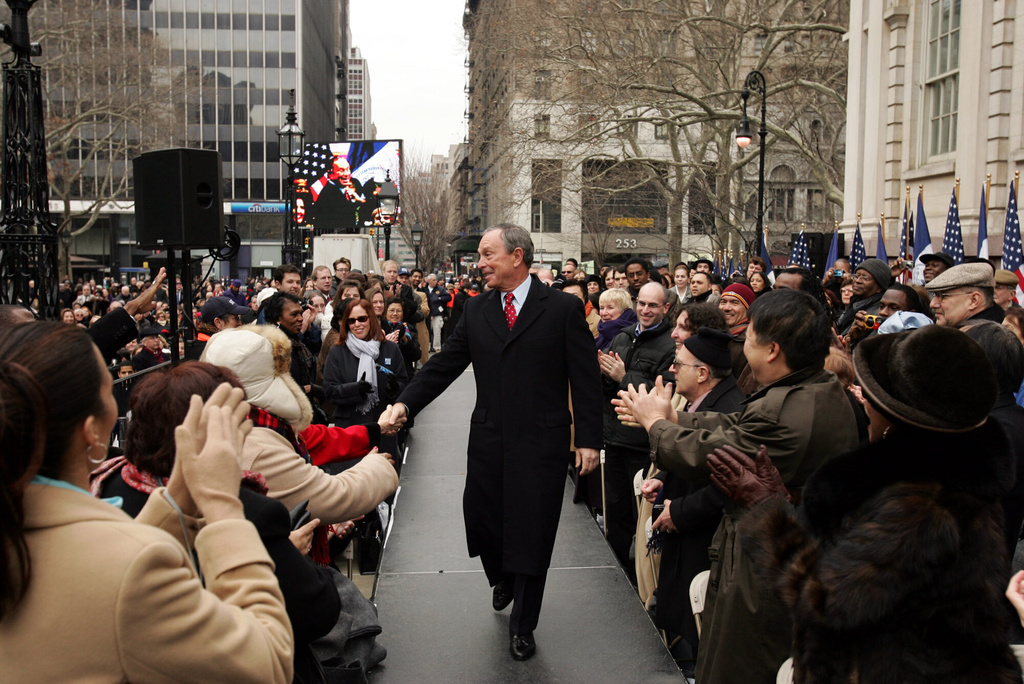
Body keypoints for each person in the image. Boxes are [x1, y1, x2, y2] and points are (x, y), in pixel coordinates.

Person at [726, 325, 1020, 683]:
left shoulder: (922, 505)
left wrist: (767, 514)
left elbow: (824, 601)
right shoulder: (952, 479)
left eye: (869, 396)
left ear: (896, 420)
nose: (862, 401)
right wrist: (787, 507)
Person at [0, 324, 294, 682]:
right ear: (93, 430)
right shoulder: (136, 567)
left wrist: (178, 497)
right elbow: (267, 664)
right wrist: (221, 503)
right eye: (110, 390)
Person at [378, 224, 602, 661]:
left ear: (517, 256)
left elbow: (585, 378)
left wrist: (589, 440)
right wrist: (405, 406)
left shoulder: (560, 309)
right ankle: (502, 574)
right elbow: (443, 366)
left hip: (543, 442)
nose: (479, 263)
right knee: (482, 520)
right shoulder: (478, 310)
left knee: (533, 532)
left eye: (486, 254)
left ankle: (523, 626)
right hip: (488, 437)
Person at [616, 288, 859, 684]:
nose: (741, 347)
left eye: (747, 339)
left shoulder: (787, 408)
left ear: (772, 350)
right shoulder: (813, 387)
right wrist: (673, 417)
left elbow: (717, 454)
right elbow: (734, 426)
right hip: (778, 550)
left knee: (739, 664)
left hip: (765, 564)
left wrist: (655, 425)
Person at [90, 361, 343, 682]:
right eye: (239, 423)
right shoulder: (246, 510)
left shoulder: (104, 488)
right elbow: (308, 618)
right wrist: (254, 541)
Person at [640, 326, 743, 675]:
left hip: (702, 536)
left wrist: (679, 511)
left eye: (679, 363)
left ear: (702, 373)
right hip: (686, 530)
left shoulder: (731, 405)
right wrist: (663, 480)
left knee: (700, 635)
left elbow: (726, 482)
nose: (671, 368)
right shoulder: (704, 402)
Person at [599, 281, 675, 573]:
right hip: (615, 436)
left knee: (641, 513)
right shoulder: (623, 336)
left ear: (665, 308)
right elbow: (609, 389)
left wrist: (622, 376)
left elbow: (663, 394)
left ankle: (644, 577)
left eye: (652, 305)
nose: (645, 310)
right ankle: (618, 571)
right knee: (616, 511)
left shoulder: (670, 345)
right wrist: (605, 374)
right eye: (641, 303)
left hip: (643, 443)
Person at [322, 298, 409, 460]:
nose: (357, 324)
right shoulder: (338, 352)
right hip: (350, 430)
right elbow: (329, 391)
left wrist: (393, 388)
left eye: (362, 319)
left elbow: (404, 384)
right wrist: (355, 389)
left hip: (382, 427)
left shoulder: (389, 348)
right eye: (351, 320)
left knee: (383, 480)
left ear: (371, 319)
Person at [928, 262, 1005, 326]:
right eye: (935, 295)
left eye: (943, 296)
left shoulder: (984, 340)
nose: (933, 304)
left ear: (974, 300)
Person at [382, 297, 421, 377]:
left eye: (399, 311)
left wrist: (405, 340)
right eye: (391, 310)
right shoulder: (380, 328)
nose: (395, 314)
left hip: (404, 373)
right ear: (385, 312)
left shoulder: (410, 329)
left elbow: (416, 355)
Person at [594, 288, 637, 352]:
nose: (604, 313)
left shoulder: (634, 332)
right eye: (602, 308)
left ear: (624, 310)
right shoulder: (603, 330)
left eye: (610, 308)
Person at [424, 273, 451, 351]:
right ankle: (427, 347)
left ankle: (437, 347)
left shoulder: (440, 289)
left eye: (436, 280)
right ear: (429, 281)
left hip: (437, 313)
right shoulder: (424, 289)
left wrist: (439, 298)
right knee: (427, 331)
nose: (435, 281)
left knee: (437, 330)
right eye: (433, 280)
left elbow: (448, 297)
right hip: (427, 313)